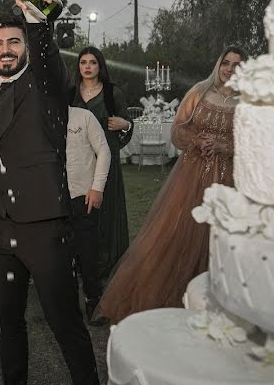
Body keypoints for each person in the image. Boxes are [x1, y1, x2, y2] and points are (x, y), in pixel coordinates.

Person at [0, 0, 99, 385]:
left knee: (65, 323)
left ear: (23, 46)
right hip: (0, 231)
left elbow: (45, 54)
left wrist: (37, 16)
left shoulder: (45, 87)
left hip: (45, 226)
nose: (4, 49)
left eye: (12, 41)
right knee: (7, 321)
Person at [96, 46, 248, 325]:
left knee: (220, 239)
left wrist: (223, 145)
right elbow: (177, 130)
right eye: (226, 63)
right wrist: (196, 141)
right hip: (190, 177)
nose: (229, 69)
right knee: (178, 235)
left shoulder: (248, 102)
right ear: (218, 65)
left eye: (236, 65)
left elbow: (251, 141)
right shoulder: (200, 92)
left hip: (228, 180)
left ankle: (214, 303)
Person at [66, 46, 133, 318]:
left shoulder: (111, 92)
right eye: (83, 62)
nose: (88, 67)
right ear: (79, 67)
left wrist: (124, 125)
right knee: (83, 218)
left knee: (108, 213)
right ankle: (84, 267)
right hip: (81, 165)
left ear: (100, 66)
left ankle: (110, 266)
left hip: (106, 161)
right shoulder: (71, 94)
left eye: (93, 62)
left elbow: (127, 123)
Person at [65, 106, 111, 328]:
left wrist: (97, 187)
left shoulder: (83, 116)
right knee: (61, 258)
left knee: (89, 254)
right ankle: (67, 308)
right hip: (54, 201)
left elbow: (103, 150)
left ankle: (94, 302)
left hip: (84, 197)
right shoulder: (38, 119)